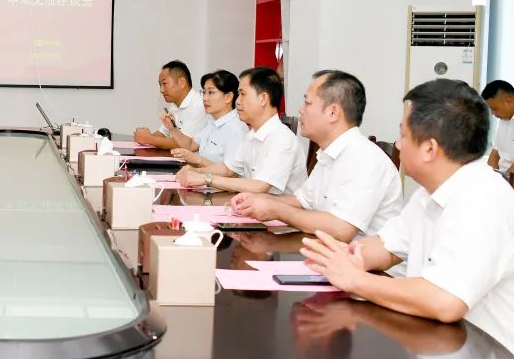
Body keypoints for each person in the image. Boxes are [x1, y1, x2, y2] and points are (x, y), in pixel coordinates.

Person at [301, 79, 514, 359]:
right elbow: (384, 248)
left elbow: (444, 301)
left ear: (430, 148)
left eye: (403, 135)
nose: (399, 144)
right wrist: (344, 256)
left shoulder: (481, 198)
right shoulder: (432, 193)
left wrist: (356, 280)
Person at [229, 70, 402, 240]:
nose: (301, 110)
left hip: (361, 258)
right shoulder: (328, 153)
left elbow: (341, 228)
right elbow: (302, 201)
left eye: (307, 103)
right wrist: (257, 200)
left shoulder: (364, 159)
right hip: (324, 250)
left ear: (333, 112)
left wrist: (276, 210)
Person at [176, 67, 307, 195]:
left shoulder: (281, 138)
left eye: (242, 94)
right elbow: (228, 169)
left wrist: (207, 179)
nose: (237, 101)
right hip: (253, 204)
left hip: (277, 208)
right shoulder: (252, 135)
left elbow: (260, 186)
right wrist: (195, 172)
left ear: (263, 99)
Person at [170, 70, 248, 166]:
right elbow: (191, 145)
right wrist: (172, 128)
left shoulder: (237, 128)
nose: (205, 98)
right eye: (204, 92)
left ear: (228, 97)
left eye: (211, 92)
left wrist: (197, 160)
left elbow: (231, 172)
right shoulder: (212, 121)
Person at [133, 60, 207, 150]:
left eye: (164, 84)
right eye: (160, 85)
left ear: (181, 82)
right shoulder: (174, 105)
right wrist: (144, 137)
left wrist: (148, 139)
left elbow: (184, 144)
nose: (161, 90)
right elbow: (164, 133)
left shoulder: (199, 105)